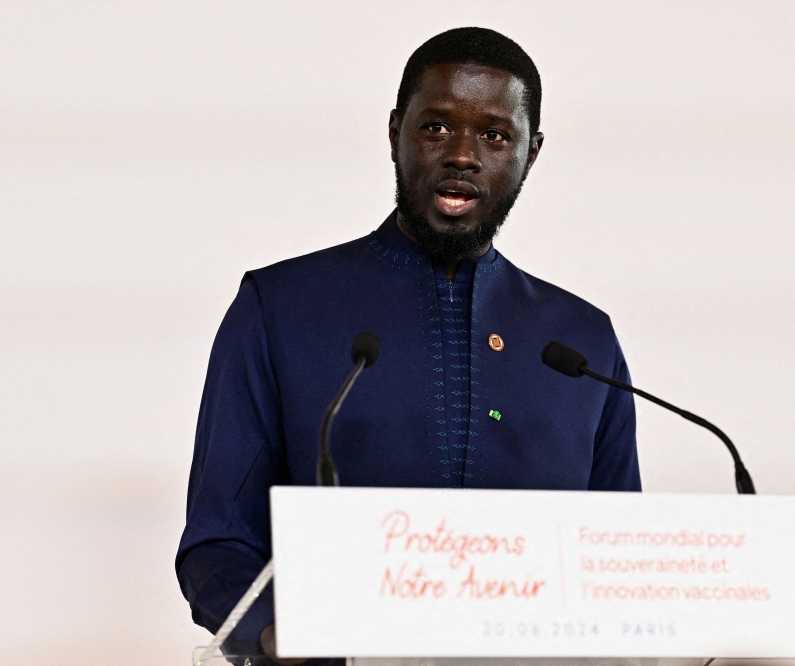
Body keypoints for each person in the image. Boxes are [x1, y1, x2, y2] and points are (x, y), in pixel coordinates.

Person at [176, 27, 641, 664]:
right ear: (395, 132)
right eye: (436, 127)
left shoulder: (582, 340)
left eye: (494, 135)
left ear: (531, 154)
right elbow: (217, 543)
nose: (462, 155)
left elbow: (621, 564)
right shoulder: (278, 308)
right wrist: (273, 635)